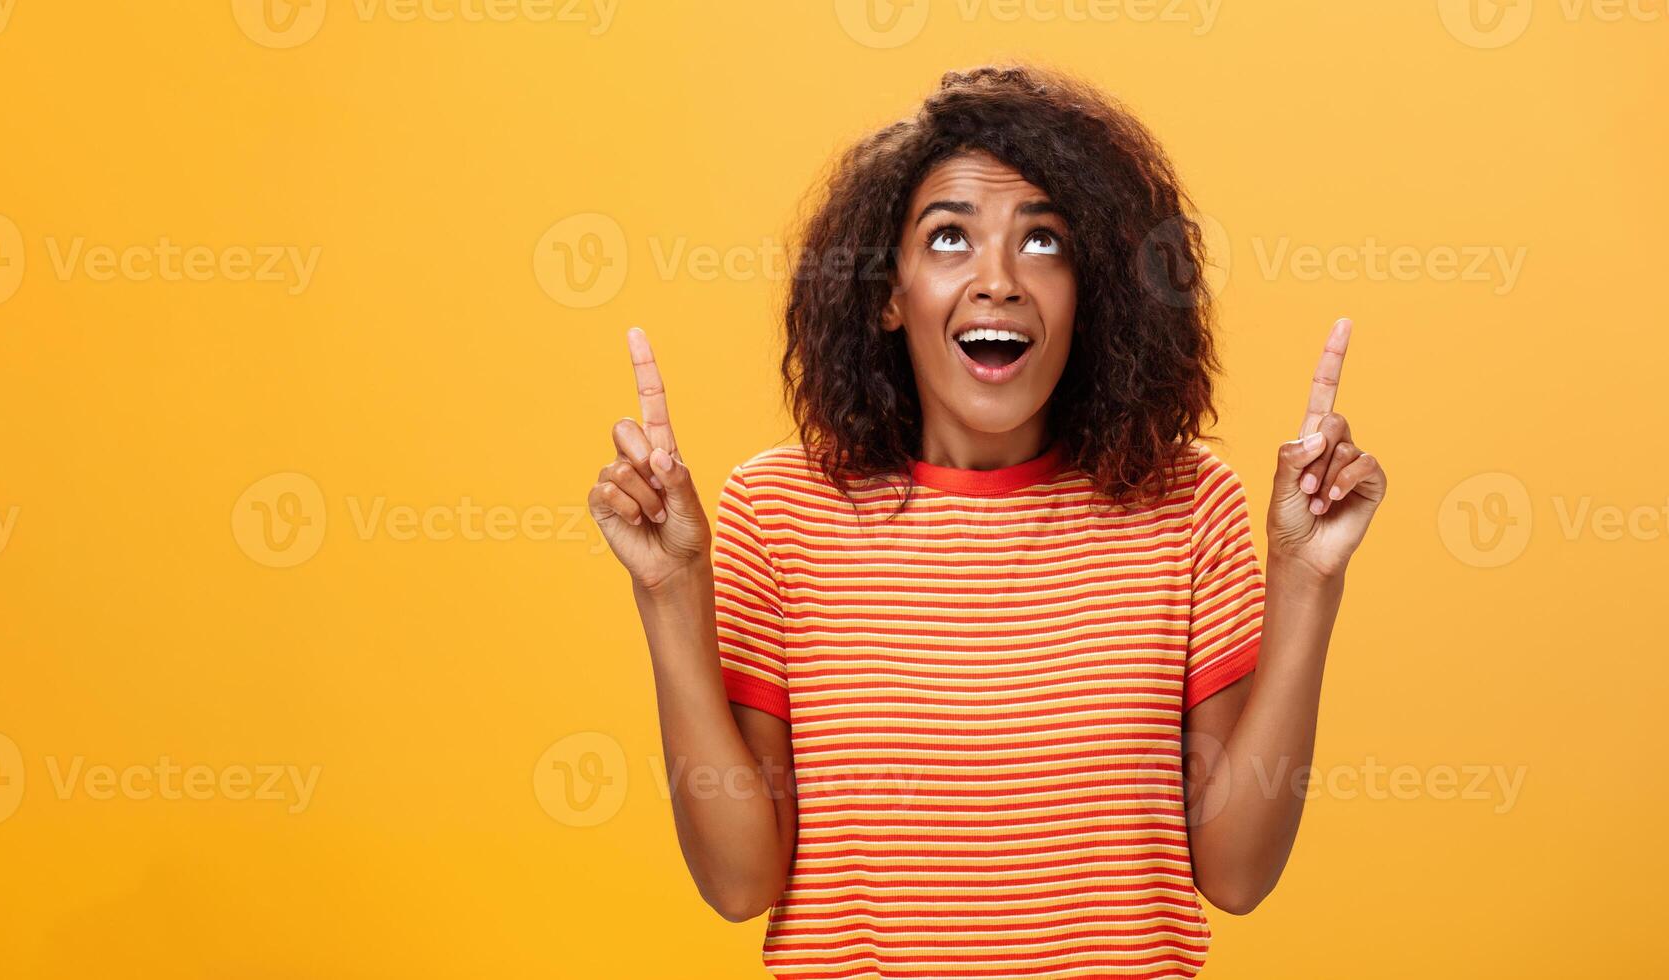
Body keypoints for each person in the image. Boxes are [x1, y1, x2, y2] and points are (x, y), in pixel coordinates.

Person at [586, 65, 1386, 978]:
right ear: (890, 294)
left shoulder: (1183, 501)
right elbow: (739, 884)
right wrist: (667, 590)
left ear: (1093, 297)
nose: (997, 280)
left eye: (1042, 242)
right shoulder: (780, 511)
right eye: (949, 238)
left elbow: (1237, 873)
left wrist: (1309, 579)